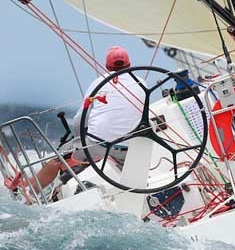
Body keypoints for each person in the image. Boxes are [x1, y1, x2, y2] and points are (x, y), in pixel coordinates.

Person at [12, 46, 143, 195]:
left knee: (59, 159)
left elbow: (79, 120)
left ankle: (28, 195)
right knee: (86, 152)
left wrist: (77, 138)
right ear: (129, 64)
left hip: (98, 148)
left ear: (107, 66)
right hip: (132, 150)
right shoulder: (141, 83)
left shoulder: (98, 83)